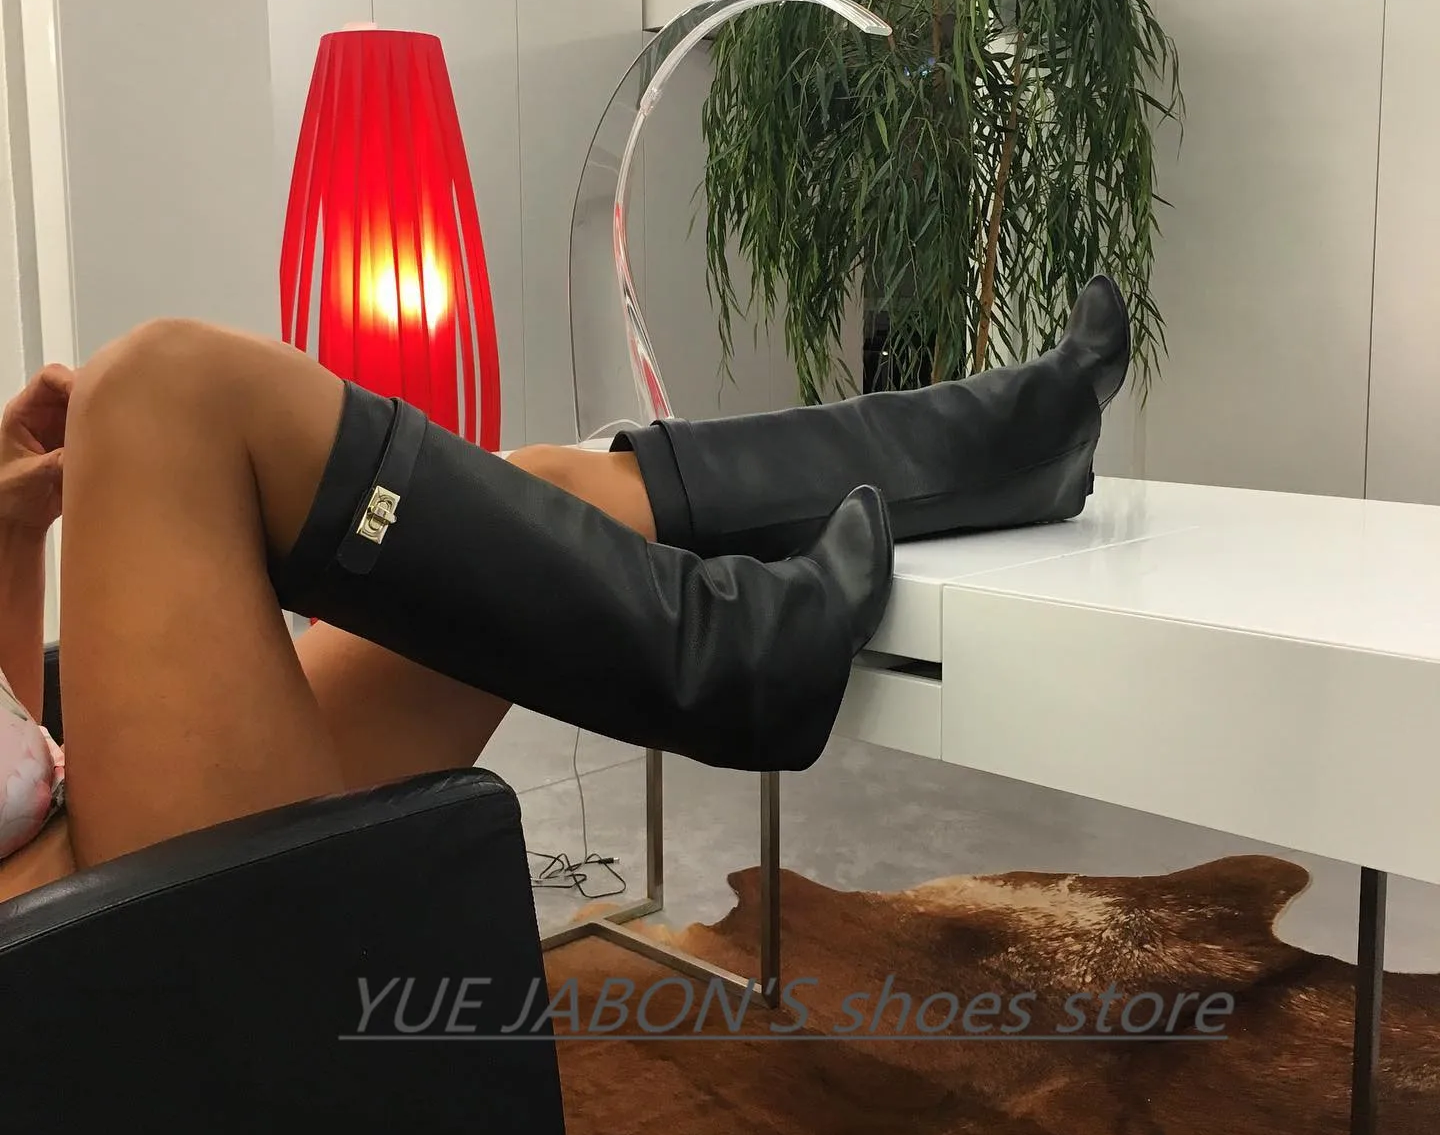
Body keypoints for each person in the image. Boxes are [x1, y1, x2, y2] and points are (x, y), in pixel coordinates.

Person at [0, 274, 1128, 909]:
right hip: (56, 922)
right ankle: (732, 659)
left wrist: (6, 534)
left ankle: (1005, 446)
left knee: (535, 488)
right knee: (160, 387)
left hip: (61, 815)